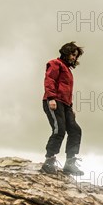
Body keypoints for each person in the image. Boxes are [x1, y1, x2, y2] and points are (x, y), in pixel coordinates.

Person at [41, 41, 84, 176]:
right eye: (72, 54)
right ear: (65, 52)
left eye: (76, 56)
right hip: (54, 101)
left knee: (75, 130)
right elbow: (50, 80)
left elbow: (67, 90)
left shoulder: (68, 70)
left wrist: (70, 106)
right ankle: (49, 161)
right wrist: (51, 98)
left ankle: (70, 163)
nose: (74, 57)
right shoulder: (55, 63)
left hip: (65, 105)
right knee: (59, 129)